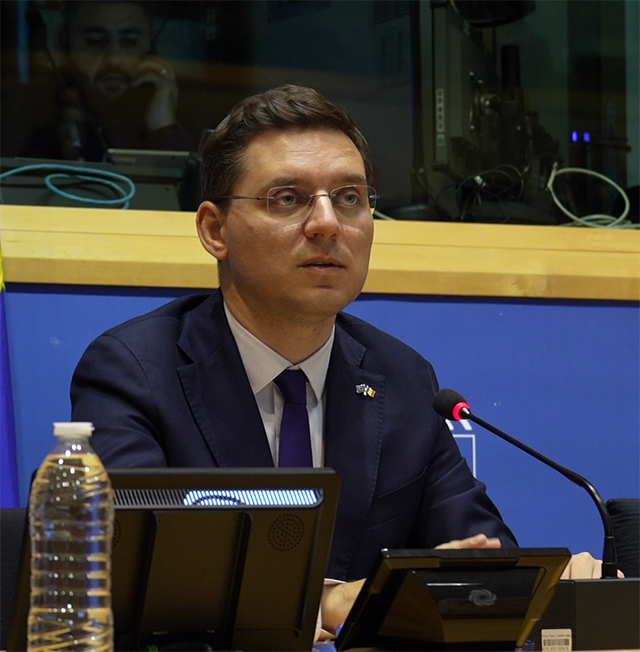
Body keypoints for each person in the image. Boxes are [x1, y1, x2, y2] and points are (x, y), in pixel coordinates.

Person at [70, 84, 611, 636]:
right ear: (215, 230)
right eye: (288, 199)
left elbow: (475, 554)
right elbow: (137, 578)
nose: (327, 223)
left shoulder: (402, 378)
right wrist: (325, 604)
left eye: (350, 197)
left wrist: (531, 584)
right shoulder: (136, 371)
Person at [28, 1, 185, 160]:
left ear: (151, 44)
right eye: (95, 41)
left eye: (130, 41)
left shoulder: (166, 103)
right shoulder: (41, 108)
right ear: (66, 42)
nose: (114, 60)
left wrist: (164, 126)